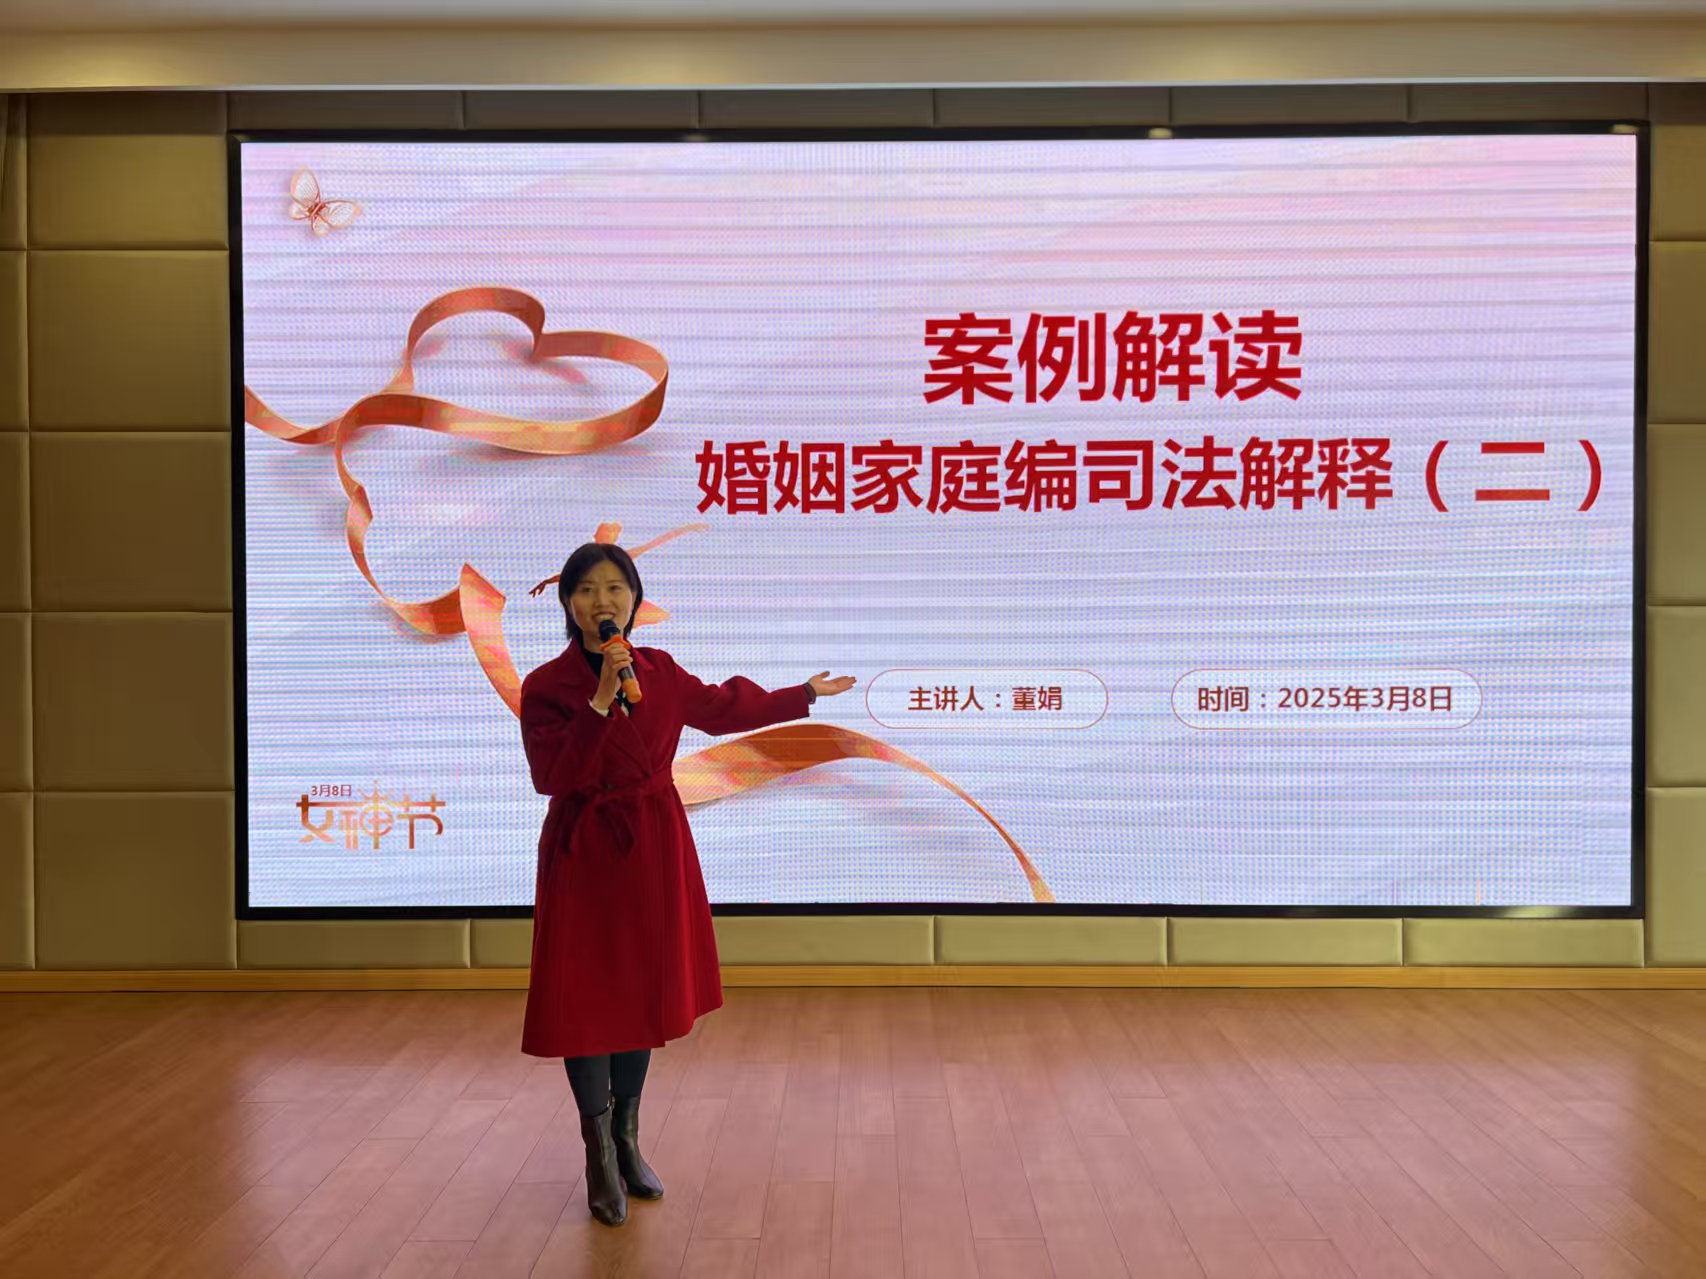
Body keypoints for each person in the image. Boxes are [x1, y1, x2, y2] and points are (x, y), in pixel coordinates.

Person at [518, 541, 855, 1226]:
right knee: (589, 996)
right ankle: (598, 1155)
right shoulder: (547, 686)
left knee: (641, 989)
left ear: (635, 601)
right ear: (568, 603)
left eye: (616, 588)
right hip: (585, 850)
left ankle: (627, 1139)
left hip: (652, 841)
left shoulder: (660, 671)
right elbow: (552, 777)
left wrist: (802, 695)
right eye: (588, 589)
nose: (603, 601)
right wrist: (600, 700)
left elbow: (724, 708)